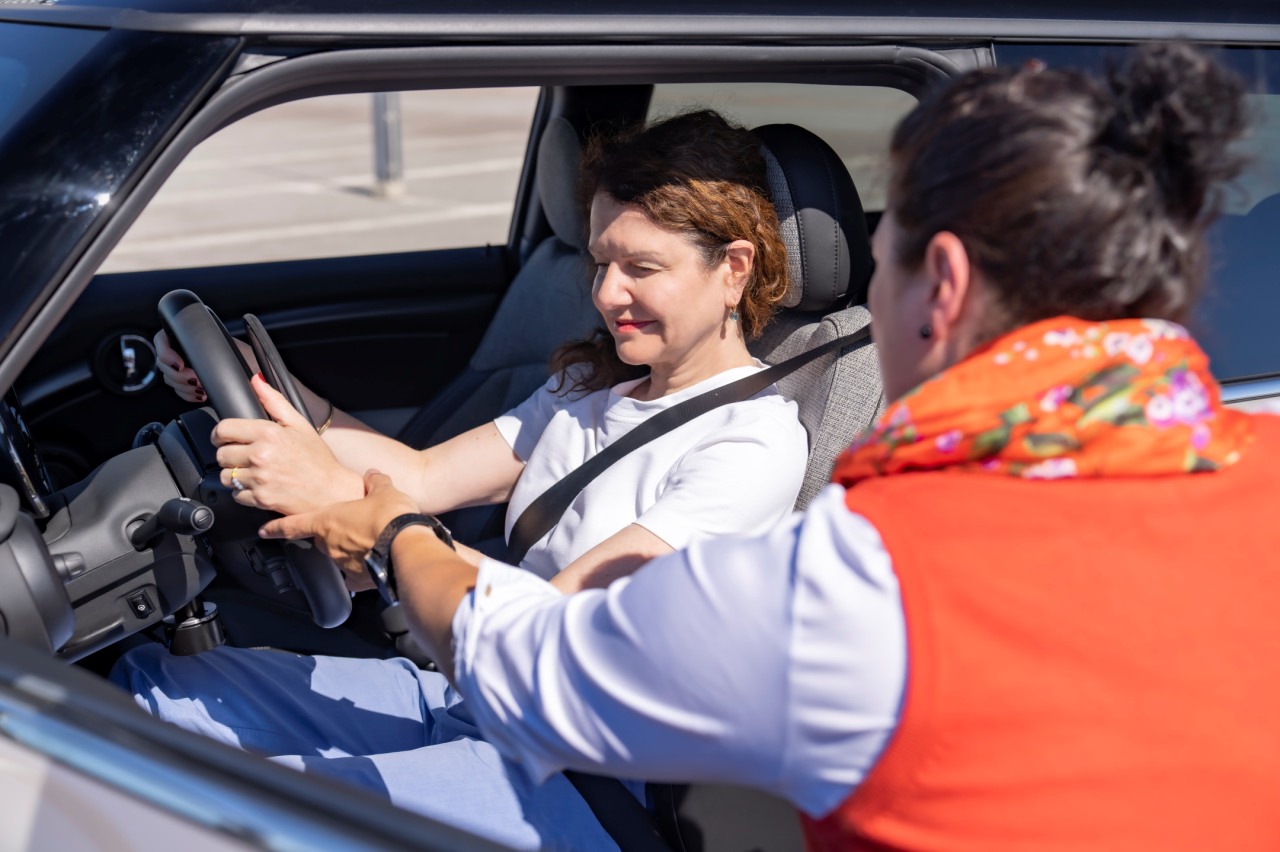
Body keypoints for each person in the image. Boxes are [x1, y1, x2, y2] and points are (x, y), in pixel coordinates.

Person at [258, 43, 1280, 850]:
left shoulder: (861, 572)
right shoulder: (1261, 472)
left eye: (880, 262)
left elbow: (540, 667)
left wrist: (395, 534)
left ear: (942, 286)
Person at [111, 109, 809, 850]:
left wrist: (363, 518)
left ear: (733, 269)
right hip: (470, 695)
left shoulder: (751, 442)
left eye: (641, 268)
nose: (607, 294)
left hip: (577, 766)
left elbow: (555, 628)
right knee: (158, 689)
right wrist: (259, 382)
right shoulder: (588, 389)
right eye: (602, 263)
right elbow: (418, 474)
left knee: (226, 814)